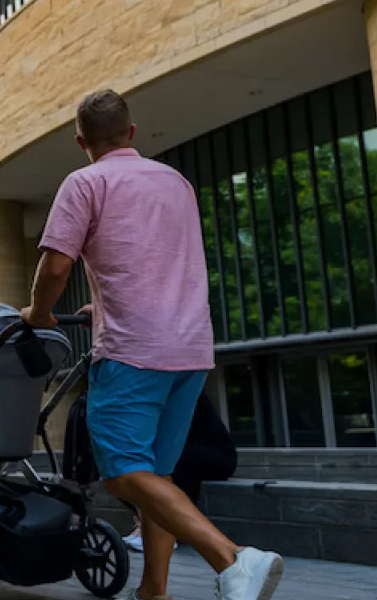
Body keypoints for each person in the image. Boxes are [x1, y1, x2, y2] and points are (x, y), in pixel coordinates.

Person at [20, 90, 283, 600]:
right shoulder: (176, 182)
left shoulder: (85, 182)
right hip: (190, 348)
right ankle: (153, 591)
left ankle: (232, 559)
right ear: (132, 132)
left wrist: (38, 313)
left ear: (81, 141)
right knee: (159, 475)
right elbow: (155, 259)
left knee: (122, 474)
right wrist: (107, 301)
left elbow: (55, 267)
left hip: (133, 351)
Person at [123, 391, 238, 553]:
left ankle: (167, 532)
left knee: (168, 463)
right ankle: (147, 525)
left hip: (216, 453)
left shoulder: (180, 389)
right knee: (125, 470)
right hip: (187, 450)